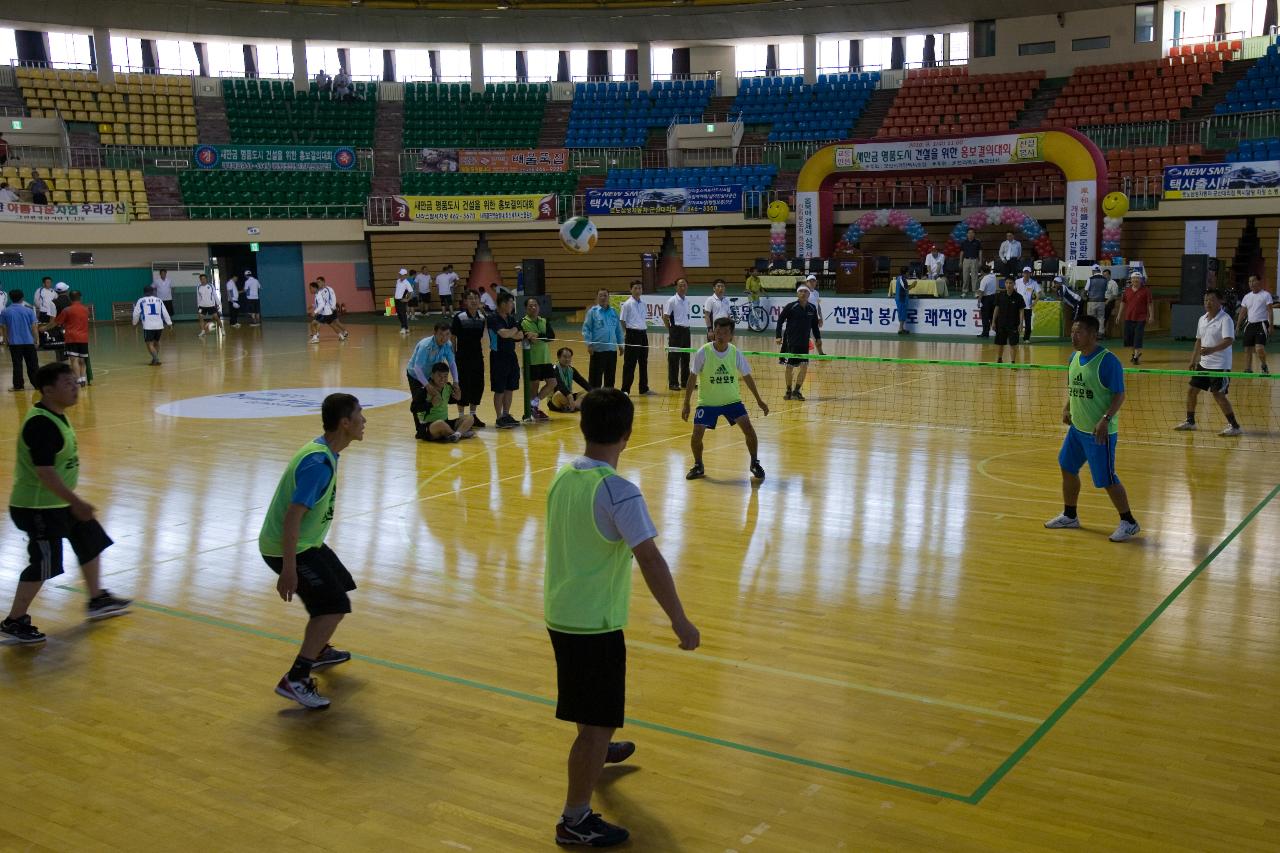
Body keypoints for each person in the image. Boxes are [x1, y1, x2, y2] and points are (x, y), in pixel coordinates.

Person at [543, 387, 700, 849]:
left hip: (561, 613)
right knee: (596, 720)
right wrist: (680, 621)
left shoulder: (563, 477)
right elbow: (651, 559)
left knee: (588, 705)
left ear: (582, 425)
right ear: (628, 435)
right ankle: (574, 819)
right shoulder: (619, 491)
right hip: (594, 624)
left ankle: (599, 749)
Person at [2, 362, 131, 644]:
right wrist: (77, 502)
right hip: (36, 508)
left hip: (56, 504)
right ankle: (14, 621)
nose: (75, 388)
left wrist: (73, 504)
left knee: (90, 537)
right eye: (68, 384)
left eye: (75, 382)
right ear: (48, 390)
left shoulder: (55, 414)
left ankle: (97, 599)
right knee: (46, 564)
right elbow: (44, 472)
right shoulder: (40, 424)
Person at [259, 393, 365, 709]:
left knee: (339, 584)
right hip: (287, 548)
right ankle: (297, 678)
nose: (364, 421)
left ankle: (318, 649)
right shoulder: (319, 464)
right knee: (333, 606)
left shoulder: (327, 452)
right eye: (360, 415)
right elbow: (293, 516)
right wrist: (289, 570)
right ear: (345, 423)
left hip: (307, 543)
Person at [1044, 316, 1141, 543]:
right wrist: (1067, 407)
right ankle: (1070, 515)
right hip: (1077, 430)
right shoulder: (1073, 358)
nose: (1073, 336)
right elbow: (1074, 387)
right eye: (1072, 332)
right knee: (1067, 466)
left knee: (1106, 478)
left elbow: (1120, 395)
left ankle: (1129, 522)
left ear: (1093, 335)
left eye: (1079, 332)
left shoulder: (1108, 361)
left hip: (1099, 433)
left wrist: (1105, 420)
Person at [682, 317, 770, 482]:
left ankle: (754, 463)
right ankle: (698, 465)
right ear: (713, 332)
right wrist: (686, 403)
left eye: (725, 332)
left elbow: (747, 377)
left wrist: (759, 399)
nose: (720, 335)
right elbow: (692, 377)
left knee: (749, 430)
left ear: (731, 335)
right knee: (696, 436)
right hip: (707, 402)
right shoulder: (704, 351)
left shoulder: (735, 352)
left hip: (732, 401)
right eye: (718, 332)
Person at [1175, 289, 1242, 436]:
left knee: (1218, 395)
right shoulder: (1202, 319)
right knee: (1192, 391)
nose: (1208, 303)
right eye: (1206, 300)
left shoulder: (1226, 319)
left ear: (1220, 301)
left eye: (1211, 299)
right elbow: (1199, 341)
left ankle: (1235, 426)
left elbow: (1229, 340)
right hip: (1204, 364)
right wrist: (1193, 359)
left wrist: (1212, 350)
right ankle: (1190, 422)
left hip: (1220, 366)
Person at [406, 322, 460, 436]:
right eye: (441, 334)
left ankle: (435, 424)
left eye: (447, 334)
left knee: (434, 397)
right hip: (415, 375)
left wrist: (456, 382)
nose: (444, 338)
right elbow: (417, 368)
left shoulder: (448, 344)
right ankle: (420, 430)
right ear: (434, 333)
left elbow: (452, 363)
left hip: (431, 374)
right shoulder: (426, 346)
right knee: (419, 399)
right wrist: (427, 385)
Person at [775, 285, 823, 401]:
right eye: (800, 291)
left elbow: (814, 326)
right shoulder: (791, 307)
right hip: (790, 341)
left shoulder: (812, 308)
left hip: (804, 342)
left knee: (804, 367)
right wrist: (778, 336)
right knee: (789, 367)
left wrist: (818, 338)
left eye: (805, 291)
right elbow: (780, 321)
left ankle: (797, 391)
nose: (803, 293)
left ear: (808, 294)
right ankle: (788, 390)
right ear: (797, 293)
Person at [487, 291, 525, 428]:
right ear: (503, 303)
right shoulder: (492, 318)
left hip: (511, 355)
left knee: (510, 387)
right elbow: (504, 334)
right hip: (498, 356)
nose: (512, 305)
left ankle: (506, 414)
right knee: (499, 388)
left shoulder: (510, 318)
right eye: (510, 303)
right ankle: (499, 418)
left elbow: (520, 335)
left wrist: (511, 332)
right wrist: (513, 329)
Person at [450, 290, 488, 428]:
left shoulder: (482, 318)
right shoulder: (459, 317)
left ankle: (472, 416)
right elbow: (453, 337)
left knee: (477, 385)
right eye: (470, 298)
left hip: (477, 357)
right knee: (463, 386)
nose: (473, 300)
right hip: (462, 358)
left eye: (476, 298)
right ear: (465, 301)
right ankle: (461, 417)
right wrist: (453, 355)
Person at [417, 362, 476, 442]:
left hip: (446, 422)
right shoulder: (424, 390)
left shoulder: (448, 387)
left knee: (470, 417)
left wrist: (458, 398)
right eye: (439, 376)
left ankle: (456, 435)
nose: (442, 379)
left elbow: (451, 400)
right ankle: (460, 434)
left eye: (445, 376)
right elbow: (414, 408)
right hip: (429, 426)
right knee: (440, 423)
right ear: (432, 375)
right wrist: (430, 404)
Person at [521, 296, 557, 422]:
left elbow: (551, 336)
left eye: (535, 305)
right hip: (531, 360)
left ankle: (533, 404)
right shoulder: (522, 322)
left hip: (545, 358)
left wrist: (538, 335)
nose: (533, 308)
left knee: (552, 382)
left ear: (539, 307)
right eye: (530, 306)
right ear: (526, 308)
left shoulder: (544, 321)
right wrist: (527, 335)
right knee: (534, 385)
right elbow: (522, 336)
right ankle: (533, 410)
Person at [582, 288, 623, 389]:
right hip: (598, 351)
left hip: (612, 351)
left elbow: (618, 330)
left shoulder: (613, 312)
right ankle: (594, 399)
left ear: (608, 297)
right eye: (601, 295)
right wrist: (589, 344)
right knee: (595, 379)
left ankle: (608, 400)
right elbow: (586, 329)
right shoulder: (593, 312)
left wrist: (621, 345)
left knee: (610, 378)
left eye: (605, 295)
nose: (603, 298)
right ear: (597, 298)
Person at [48, 290, 90, 386]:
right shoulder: (86, 309)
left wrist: (44, 328)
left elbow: (56, 322)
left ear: (70, 298)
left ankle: (78, 379)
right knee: (82, 360)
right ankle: (84, 378)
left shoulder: (67, 310)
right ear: (81, 298)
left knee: (74, 359)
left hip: (71, 338)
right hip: (83, 338)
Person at [1236, 273, 1275, 374]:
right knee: (1247, 348)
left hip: (1261, 324)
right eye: (1249, 281)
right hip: (1250, 325)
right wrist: (1237, 326)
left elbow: (1270, 311)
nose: (1251, 283)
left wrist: (1271, 326)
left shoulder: (1266, 295)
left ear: (1259, 281)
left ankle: (1264, 365)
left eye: (1253, 281)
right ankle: (1248, 369)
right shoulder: (1247, 297)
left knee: (1259, 348)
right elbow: (1242, 312)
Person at [619, 280, 652, 397]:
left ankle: (643, 388)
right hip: (632, 335)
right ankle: (625, 389)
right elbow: (622, 320)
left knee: (643, 362)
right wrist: (627, 332)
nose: (638, 290)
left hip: (643, 334)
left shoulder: (643, 303)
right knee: (630, 363)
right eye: (635, 288)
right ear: (631, 290)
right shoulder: (627, 304)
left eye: (640, 288)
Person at [2, 289, 40, 391]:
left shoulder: (5, 312)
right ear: (22, 298)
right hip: (29, 342)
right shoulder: (29, 310)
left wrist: (5, 341)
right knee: (33, 364)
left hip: (14, 343)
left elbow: (4, 328)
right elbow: (34, 327)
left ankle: (18, 386)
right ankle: (37, 385)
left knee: (17, 364)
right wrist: (37, 339)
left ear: (10, 298)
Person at [663, 278, 693, 391]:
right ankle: (673, 383)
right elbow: (665, 317)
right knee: (674, 358)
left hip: (686, 331)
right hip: (676, 331)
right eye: (680, 285)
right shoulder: (671, 301)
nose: (682, 287)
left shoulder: (687, 301)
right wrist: (671, 330)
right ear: (676, 287)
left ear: (687, 287)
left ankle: (685, 382)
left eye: (684, 285)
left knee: (686, 357)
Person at [133, 284, 172, 366]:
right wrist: (169, 323)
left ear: (144, 292)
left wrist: (134, 323)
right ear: (153, 292)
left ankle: (156, 359)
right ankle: (154, 359)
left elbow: (136, 314)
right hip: (159, 325)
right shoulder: (159, 300)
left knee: (149, 343)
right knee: (156, 342)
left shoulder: (141, 300)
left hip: (148, 326)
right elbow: (165, 312)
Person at [991, 275, 1026, 364]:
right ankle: (999, 359)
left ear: (1014, 284)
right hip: (1001, 324)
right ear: (1005, 284)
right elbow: (996, 309)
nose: (1008, 285)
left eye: (1010, 283)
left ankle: (1013, 362)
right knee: (1000, 344)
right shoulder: (1000, 295)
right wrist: (993, 322)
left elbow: (1021, 311)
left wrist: (1021, 324)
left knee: (1013, 345)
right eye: (1006, 283)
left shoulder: (1019, 297)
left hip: (1013, 325)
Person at [1120, 272, 1153, 365]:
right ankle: (1135, 354)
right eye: (1133, 278)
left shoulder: (1146, 291)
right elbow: (1123, 303)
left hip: (1141, 318)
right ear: (1131, 280)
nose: (1135, 280)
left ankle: (1135, 357)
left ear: (1141, 280)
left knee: (1138, 337)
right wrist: (1119, 315)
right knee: (1129, 339)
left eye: (1137, 278)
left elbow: (1150, 304)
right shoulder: (1127, 290)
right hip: (1128, 317)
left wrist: (1151, 315)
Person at [549, 347, 592, 413]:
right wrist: (569, 396)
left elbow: (581, 381)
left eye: (569, 357)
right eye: (564, 357)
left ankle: (572, 406)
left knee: (586, 392)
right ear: (558, 357)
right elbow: (559, 384)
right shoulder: (553, 368)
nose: (567, 359)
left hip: (569, 397)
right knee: (559, 393)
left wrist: (593, 392)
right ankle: (575, 406)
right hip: (555, 400)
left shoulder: (571, 369)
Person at [308, 279, 348, 343]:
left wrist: (315, 312)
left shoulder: (319, 294)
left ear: (314, 288)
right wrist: (313, 306)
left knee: (313, 324)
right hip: (328, 312)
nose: (309, 290)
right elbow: (321, 303)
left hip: (325, 313)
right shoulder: (319, 293)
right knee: (332, 324)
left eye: (310, 288)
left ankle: (315, 338)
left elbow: (321, 305)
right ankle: (341, 336)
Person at [1015, 267, 1040, 343]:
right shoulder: (1017, 281)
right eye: (1025, 272)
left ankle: (1026, 338)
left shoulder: (1034, 283)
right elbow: (1014, 290)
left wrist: (1034, 302)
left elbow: (1039, 293)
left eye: (1028, 273)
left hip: (1028, 307)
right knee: (1016, 323)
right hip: (1018, 307)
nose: (1026, 274)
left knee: (1028, 324)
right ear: (1023, 273)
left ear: (1030, 273)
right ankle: (1015, 337)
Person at [1084, 264, 1109, 335]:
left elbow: (1086, 290)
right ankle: (1101, 333)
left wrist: (1085, 296)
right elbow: (1106, 289)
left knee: (1091, 318)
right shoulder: (1105, 279)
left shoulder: (1090, 279)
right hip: (1101, 302)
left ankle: (1092, 333)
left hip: (1092, 301)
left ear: (1093, 271)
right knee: (1101, 318)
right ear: (1099, 270)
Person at [195, 273, 221, 337]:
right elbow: (198, 297)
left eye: (204, 279)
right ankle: (203, 331)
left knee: (216, 318)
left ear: (206, 279)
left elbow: (215, 295)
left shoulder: (211, 286)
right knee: (200, 317)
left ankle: (222, 329)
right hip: (202, 306)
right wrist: (198, 305)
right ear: (200, 280)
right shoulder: (198, 287)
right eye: (201, 279)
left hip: (211, 306)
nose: (203, 280)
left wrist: (218, 304)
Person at [977, 263, 998, 337]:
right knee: (993, 316)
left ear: (982, 271)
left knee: (985, 317)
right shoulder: (994, 276)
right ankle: (998, 332)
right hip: (994, 297)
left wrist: (979, 301)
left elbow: (981, 292)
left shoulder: (984, 280)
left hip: (986, 299)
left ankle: (985, 333)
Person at [960, 228, 982, 295]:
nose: (970, 234)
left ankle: (975, 291)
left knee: (974, 276)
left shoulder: (977, 242)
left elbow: (980, 252)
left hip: (974, 260)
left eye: (972, 233)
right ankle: (964, 291)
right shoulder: (964, 242)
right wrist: (960, 261)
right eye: (969, 233)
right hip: (966, 260)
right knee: (965, 276)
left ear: (974, 234)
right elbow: (961, 252)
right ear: (967, 234)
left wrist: (980, 261)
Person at [892, 267, 912, 335]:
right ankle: (900, 329)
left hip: (902, 298)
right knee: (902, 313)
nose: (908, 273)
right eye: (908, 272)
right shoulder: (901, 278)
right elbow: (906, 287)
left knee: (903, 313)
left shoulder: (901, 278)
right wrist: (912, 286)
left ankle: (902, 328)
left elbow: (905, 287)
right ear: (906, 272)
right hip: (901, 299)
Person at [394, 269, 413, 335]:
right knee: (399, 314)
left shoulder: (407, 283)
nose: (400, 276)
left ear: (405, 275)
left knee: (402, 314)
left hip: (402, 300)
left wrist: (407, 299)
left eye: (402, 275)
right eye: (400, 274)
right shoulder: (398, 281)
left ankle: (403, 328)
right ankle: (406, 327)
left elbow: (410, 292)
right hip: (396, 299)